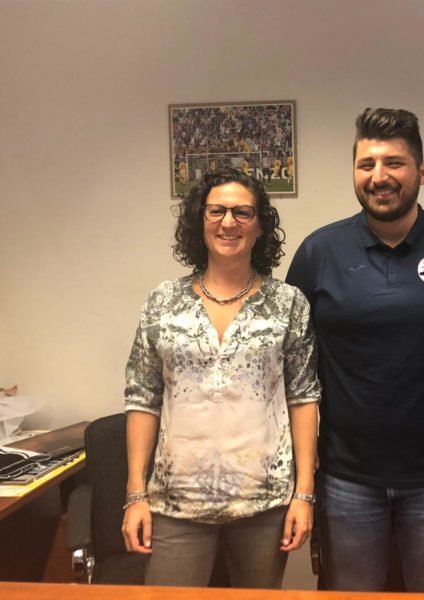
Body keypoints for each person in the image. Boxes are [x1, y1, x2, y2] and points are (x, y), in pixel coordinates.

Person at [285, 107, 424, 593]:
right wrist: (301, 460)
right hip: (345, 477)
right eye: (366, 164)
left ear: (421, 171)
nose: (379, 176)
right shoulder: (319, 253)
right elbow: (293, 363)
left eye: (394, 163)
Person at [122, 168, 320, 588]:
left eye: (243, 212)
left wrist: (304, 494)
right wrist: (135, 494)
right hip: (176, 502)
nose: (229, 222)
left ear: (260, 226)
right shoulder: (163, 302)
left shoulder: (288, 304)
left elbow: (303, 398)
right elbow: (142, 398)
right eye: (216, 211)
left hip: (265, 502)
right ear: (200, 221)